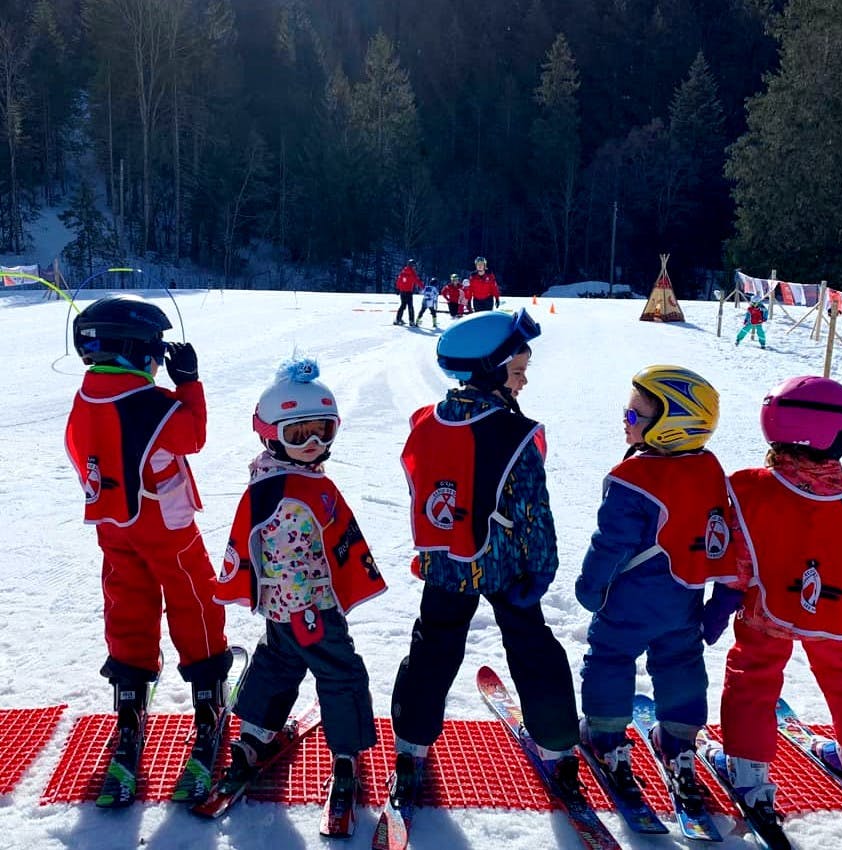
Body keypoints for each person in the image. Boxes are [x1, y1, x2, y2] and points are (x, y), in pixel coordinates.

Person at [700, 376, 842, 833]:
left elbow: (740, 552)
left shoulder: (751, 489)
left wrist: (728, 594)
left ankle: (750, 774)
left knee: (753, 677)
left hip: (763, 614)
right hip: (833, 615)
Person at [390, 309, 580, 800]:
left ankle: (411, 745)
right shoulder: (515, 435)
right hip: (507, 568)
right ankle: (558, 748)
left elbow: (423, 486)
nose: (522, 383)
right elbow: (533, 512)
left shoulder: (425, 422)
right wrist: (541, 569)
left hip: (446, 564)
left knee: (432, 648)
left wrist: (432, 547)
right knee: (532, 648)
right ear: (490, 371)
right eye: (517, 372)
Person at [66, 295, 232, 775]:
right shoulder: (149, 403)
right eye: (156, 352)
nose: (159, 362)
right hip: (165, 523)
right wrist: (189, 385)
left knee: (128, 603)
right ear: (136, 351)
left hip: (114, 524)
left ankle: (130, 697)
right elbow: (192, 436)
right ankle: (207, 697)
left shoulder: (85, 399)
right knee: (193, 598)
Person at [214, 357, 386, 799]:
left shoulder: (272, 477)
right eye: (296, 434)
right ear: (271, 434)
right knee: (339, 671)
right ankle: (347, 753)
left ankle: (255, 734)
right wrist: (314, 605)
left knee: (279, 662)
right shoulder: (293, 490)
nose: (311, 443)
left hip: (282, 608)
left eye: (322, 431)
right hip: (312, 607)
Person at [575, 366, 735, 810]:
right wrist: (725, 592)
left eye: (633, 415)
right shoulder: (708, 468)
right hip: (683, 599)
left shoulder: (633, 479)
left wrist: (591, 587)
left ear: (669, 426)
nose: (624, 421)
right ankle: (680, 741)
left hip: (627, 601)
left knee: (610, 659)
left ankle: (607, 738)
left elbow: (611, 543)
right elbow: (724, 530)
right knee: (680, 662)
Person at [394, 259, 423, 326]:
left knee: (403, 305)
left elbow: (399, 280)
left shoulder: (403, 271)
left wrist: (398, 288)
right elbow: (417, 281)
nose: (415, 267)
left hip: (402, 292)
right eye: (414, 266)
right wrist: (423, 288)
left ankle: (398, 319)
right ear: (412, 266)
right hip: (408, 292)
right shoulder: (412, 272)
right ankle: (411, 321)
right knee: (410, 306)